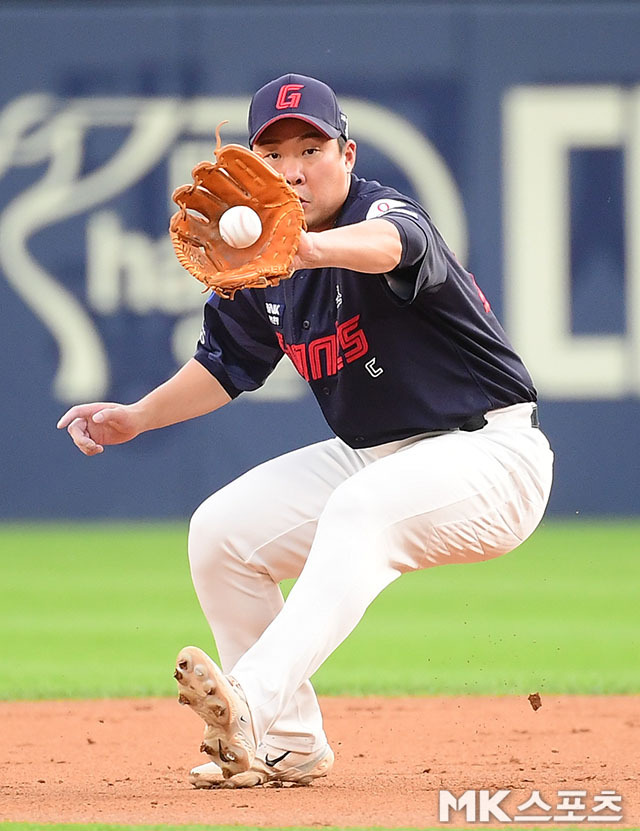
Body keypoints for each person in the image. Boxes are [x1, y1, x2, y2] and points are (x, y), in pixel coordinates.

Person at [58, 73, 554, 789]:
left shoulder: (381, 212)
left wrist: (309, 250)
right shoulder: (263, 261)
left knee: (362, 509)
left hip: (493, 455)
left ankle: (250, 702)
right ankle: (287, 743)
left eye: (311, 148)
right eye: (275, 153)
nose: (293, 169)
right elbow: (223, 365)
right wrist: (135, 416)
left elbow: (395, 246)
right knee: (222, 531)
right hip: (378, 455)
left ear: (346, 154)